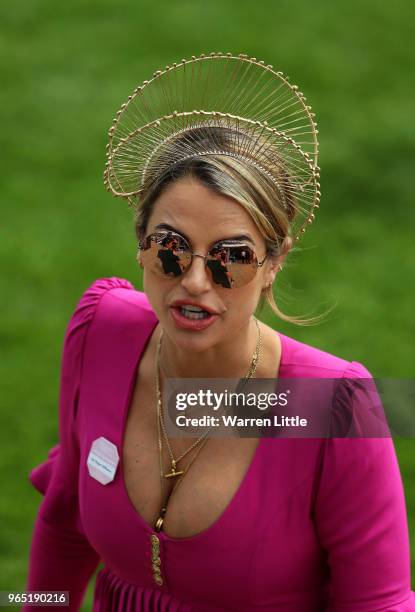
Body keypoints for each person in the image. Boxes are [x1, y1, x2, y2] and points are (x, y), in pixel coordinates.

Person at [24, 53, 415, 611]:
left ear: (274, 263)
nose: (196, 282)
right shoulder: (100, 331)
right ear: (140, 244)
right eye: (170, 249)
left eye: (232, 257)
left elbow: (375, 605)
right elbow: (65, 520)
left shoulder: (332, 408)